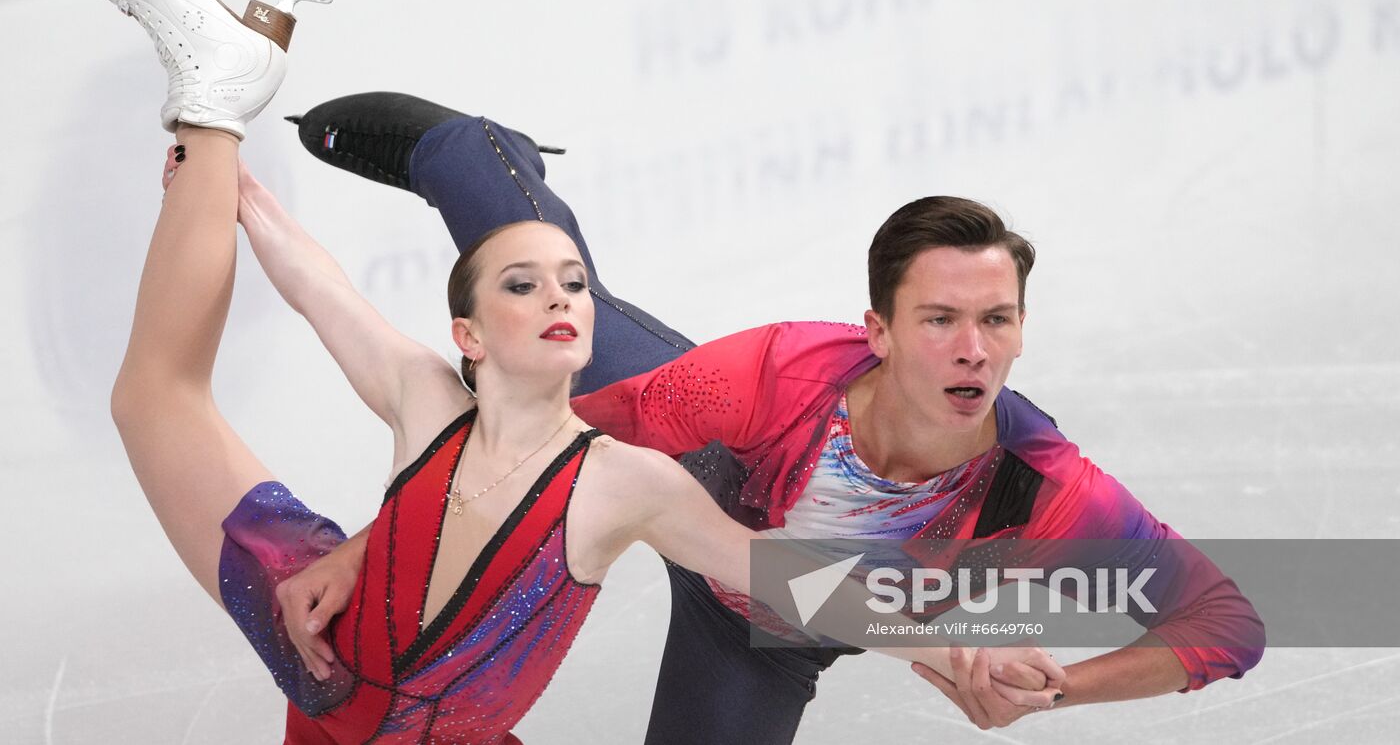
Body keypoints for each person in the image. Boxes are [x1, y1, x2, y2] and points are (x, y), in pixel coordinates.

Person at [102, 0, 1061, 745]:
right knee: (153, 399)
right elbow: (312, 281)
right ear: (467, 332)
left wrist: (957, 648)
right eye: (525, 285)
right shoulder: (425, 396)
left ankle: (237, 94)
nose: (563, 299)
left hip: (443, 717)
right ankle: (216, 90)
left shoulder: (625, 479)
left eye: (573, 286)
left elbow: (786, 581)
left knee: (159, 394)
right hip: (315, 646)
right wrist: (211, 166)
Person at [279, 91, 1267, 741]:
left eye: (995, 321)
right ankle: (468, 148)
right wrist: (375, 544)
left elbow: (1225, 624)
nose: (971, 348)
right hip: (688, 462)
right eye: (938, 321)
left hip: (760, 633)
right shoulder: (767, 376)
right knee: (535, 291)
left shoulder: (1041, 485)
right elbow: (533, 447)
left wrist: (1060, 688)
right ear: (875, 331)